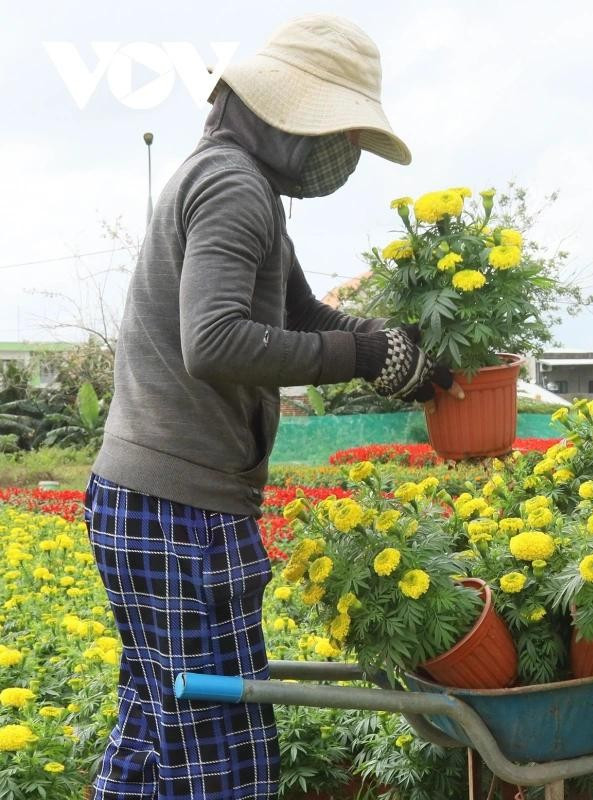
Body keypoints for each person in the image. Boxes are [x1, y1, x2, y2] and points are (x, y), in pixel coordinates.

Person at [86, 15, 459, 799]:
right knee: (219, 755)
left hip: (146, 499)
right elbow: (215, 341)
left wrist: (391, 352)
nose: (344, 155)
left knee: (159, 728)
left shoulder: (233, 177)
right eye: (338, 131)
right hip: (178, 507)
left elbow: (301, 316)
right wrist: (357, 356)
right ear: (288, 114)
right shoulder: (232, 187)